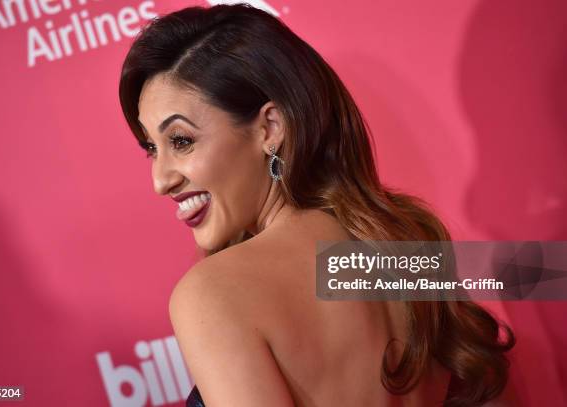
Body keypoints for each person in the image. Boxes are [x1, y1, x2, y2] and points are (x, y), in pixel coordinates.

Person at [118, 3, 515, 406]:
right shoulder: (412, 238)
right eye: (152, 148)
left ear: (270, 128)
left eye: (181, 141)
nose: (160, 179)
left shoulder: (214, 294)